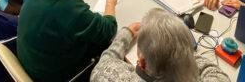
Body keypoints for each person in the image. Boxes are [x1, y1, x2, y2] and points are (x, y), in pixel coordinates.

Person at [17, 0, 118, 81]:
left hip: (31, 59)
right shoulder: (71, 10)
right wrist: (110, 3)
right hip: (51, 74)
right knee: (106, 43)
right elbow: (108, 29)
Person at [91, 8, 230, 82]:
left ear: (143, 63)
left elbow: (108, 58)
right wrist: (180, 48)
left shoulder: (106, 74)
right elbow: (211, 69)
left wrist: (126, 33)